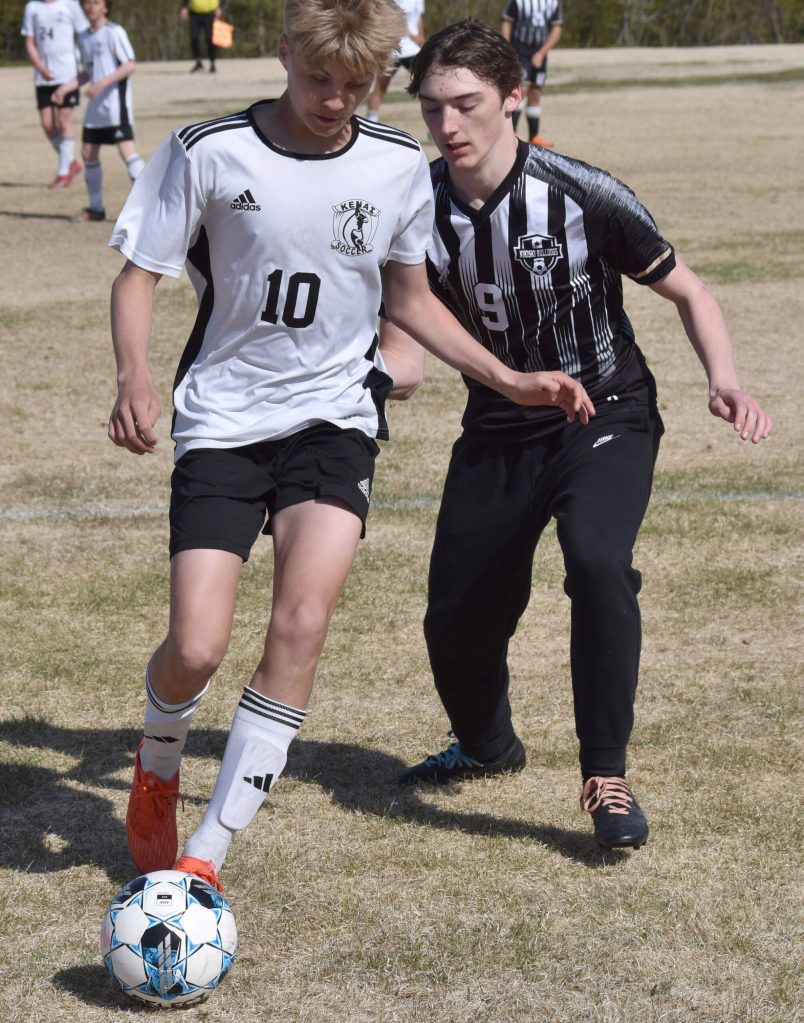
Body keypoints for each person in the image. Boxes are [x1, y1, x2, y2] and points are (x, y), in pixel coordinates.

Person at [108, 0, 593, 892]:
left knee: (302, 621)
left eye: (355, 85)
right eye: (316, 79)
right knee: (199, 644)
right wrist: (134, 375)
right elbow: (140, 274)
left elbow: (408, 300)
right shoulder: (209, 149)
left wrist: (507, 378)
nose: (333, 100)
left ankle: (207, 854)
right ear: (286, 54)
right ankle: (158, 754)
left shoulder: (396, 163)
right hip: (223, 417)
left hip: (336, 416)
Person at [383, 19, 772, 850]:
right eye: (431, 109)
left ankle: (606, 773)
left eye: (466, 105)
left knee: (598, 563)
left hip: (606, 412)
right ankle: (487, 746)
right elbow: (404, 320)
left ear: (514, 99)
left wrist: (725, 380)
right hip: (496, 426)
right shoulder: (414, 204)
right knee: (454, 618)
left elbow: (691, 292)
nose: (447, 126)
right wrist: (393, 367)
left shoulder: (581, 190)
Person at [52, 0, 144, 223]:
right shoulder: (83, 37)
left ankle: (152, 205)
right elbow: (87, 72)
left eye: (96, 3)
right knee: (88, 153)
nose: (90, 7)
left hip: (114, 105)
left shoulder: (114, 32)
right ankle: (96, 209)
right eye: (87, 3)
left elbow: (129, 65)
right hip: (95, 109)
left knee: (127, 152)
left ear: (105, 7)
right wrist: (65, 88)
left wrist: (101, 84)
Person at [20, 0, 89, 188]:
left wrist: (87, 61)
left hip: (67, 73)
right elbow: (30, 41)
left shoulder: (70, 4)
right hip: (44, 77)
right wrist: (41, 67)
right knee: (47, 124)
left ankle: (62, 173)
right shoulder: (32, 7)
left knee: (65, 120)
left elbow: (84, 34)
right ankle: (70, 162)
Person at [500, 0, 562, 147]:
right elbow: (507, 22)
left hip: (540, 50)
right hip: (519, 50)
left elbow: (556, 28)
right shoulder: (518, 2)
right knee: (521, 90)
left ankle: (534, 136)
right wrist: (506, 49)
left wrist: (541, 53)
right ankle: (510, 133)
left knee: (535, 93)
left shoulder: (552, 2)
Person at [365, 0, 424, 124]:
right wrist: (411, 35)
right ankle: (371, 123)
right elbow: (391, 18)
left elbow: (418, 18)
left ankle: (434, 122)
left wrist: (421, 37)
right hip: (392, 50)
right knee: (380, 89)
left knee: (426, 86)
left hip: (413, 50)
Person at [180, 0, 226, 74]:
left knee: (210, 40)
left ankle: (212, 63)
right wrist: (184, 7)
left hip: (211, 13)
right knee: (194, 38)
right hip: (194, 13)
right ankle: (198, 63)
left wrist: (220, 8)